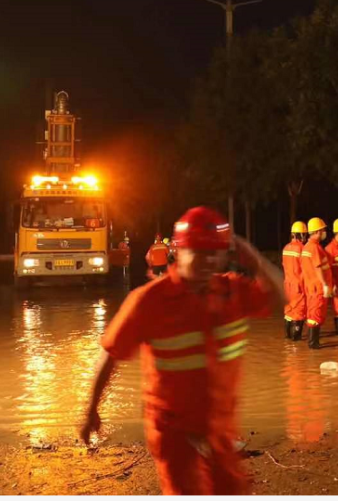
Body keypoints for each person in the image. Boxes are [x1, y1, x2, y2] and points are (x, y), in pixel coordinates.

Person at [79, 206, 285, 495]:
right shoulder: (149, 301)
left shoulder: (232, 291)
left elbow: (281, 296)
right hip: (173, 433)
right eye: (198, 252)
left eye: (214, 252)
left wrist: (256, 261)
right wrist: (91, 411)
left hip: (219, 428)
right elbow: (111, 354)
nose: (208, 260)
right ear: (178, 251)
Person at [300, 217, 333, 350]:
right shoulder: (314, 248)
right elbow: (318, 267)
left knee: (315, 313)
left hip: (312, 286)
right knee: (316, 314)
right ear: (318, 231)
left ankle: (314, 342)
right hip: (317, 287)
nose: (324, 232)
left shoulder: (308, 247)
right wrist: (324, 284)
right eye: (323, 230)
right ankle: (313, 344)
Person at [282, 221, 308, 341]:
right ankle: (296, 340)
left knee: (289, 311)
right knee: (299, 312)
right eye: (304, 234)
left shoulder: (286, 248)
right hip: (298, 285)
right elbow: (306, 269)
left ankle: (287, 337)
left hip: (287, 284)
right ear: (300, 235)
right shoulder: (303, 249)